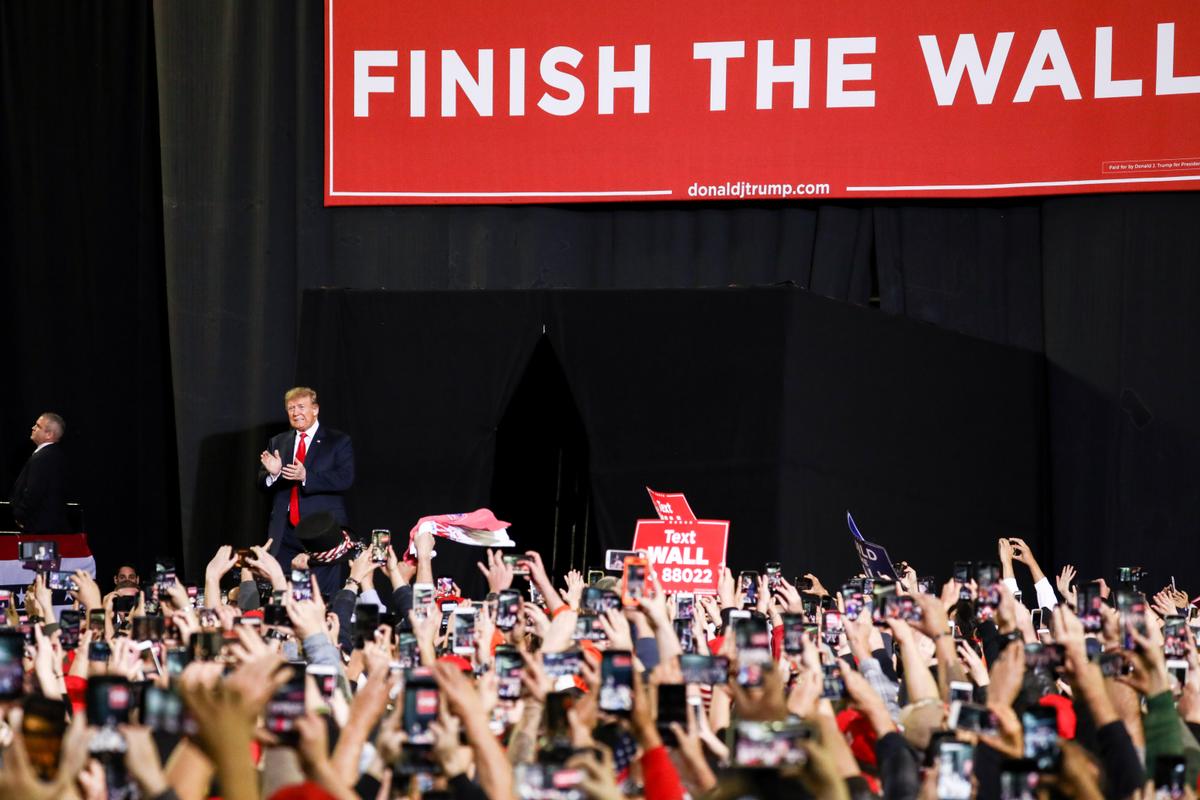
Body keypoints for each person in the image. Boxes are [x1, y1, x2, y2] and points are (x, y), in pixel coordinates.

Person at [257, 386, 354, 595]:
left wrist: (306, 476)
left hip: (320, 531)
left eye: (301, 406)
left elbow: (345, 479)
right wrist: (273, 474)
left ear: (315, 409)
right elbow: (261, 483)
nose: (295, 412)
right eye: (291, 408)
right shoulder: (278, 441)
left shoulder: (337, 441)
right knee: (285, 595)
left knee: (322, 595)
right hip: (285, 533)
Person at [8, 412, 69, 533]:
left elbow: (33, 493)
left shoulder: (42, 458)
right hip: (48, 527)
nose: (33, 428)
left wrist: (20, 516)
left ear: (49, 434)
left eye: (38, 426)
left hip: (38, 529)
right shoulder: (55, 454)